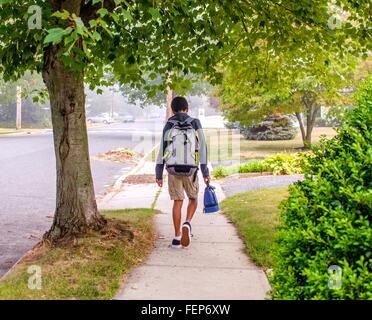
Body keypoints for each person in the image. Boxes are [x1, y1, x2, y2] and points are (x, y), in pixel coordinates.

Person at [155, 96, 210, 248]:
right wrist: (205, 171)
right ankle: (187, 223)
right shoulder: (195, 122)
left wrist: (158, 172)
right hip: (191, 169)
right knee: (193, 199)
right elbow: (203, 147)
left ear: (172, 109)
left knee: (177, 202)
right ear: (186, 108)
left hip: (173, 169)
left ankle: (177, 237)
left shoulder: (169, 124)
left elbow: (162, 148)